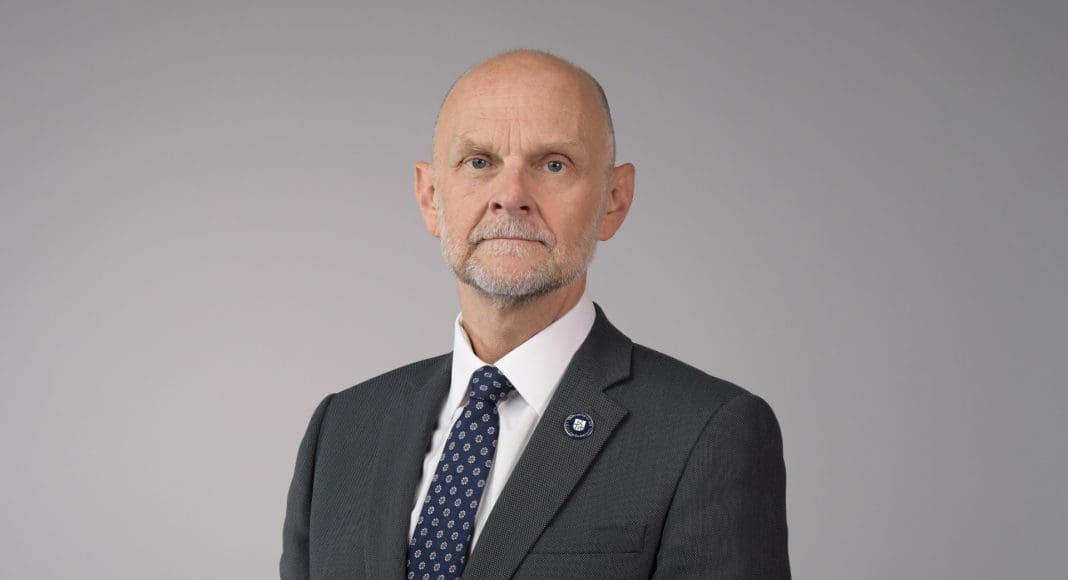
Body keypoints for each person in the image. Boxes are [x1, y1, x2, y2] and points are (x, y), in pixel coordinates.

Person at [281, 49, 790, 579]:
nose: (511, 196)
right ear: (430, 197)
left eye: (553, 164)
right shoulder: (342, 430)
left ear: (614, 200)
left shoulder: (705, 433)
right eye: (479, 162)